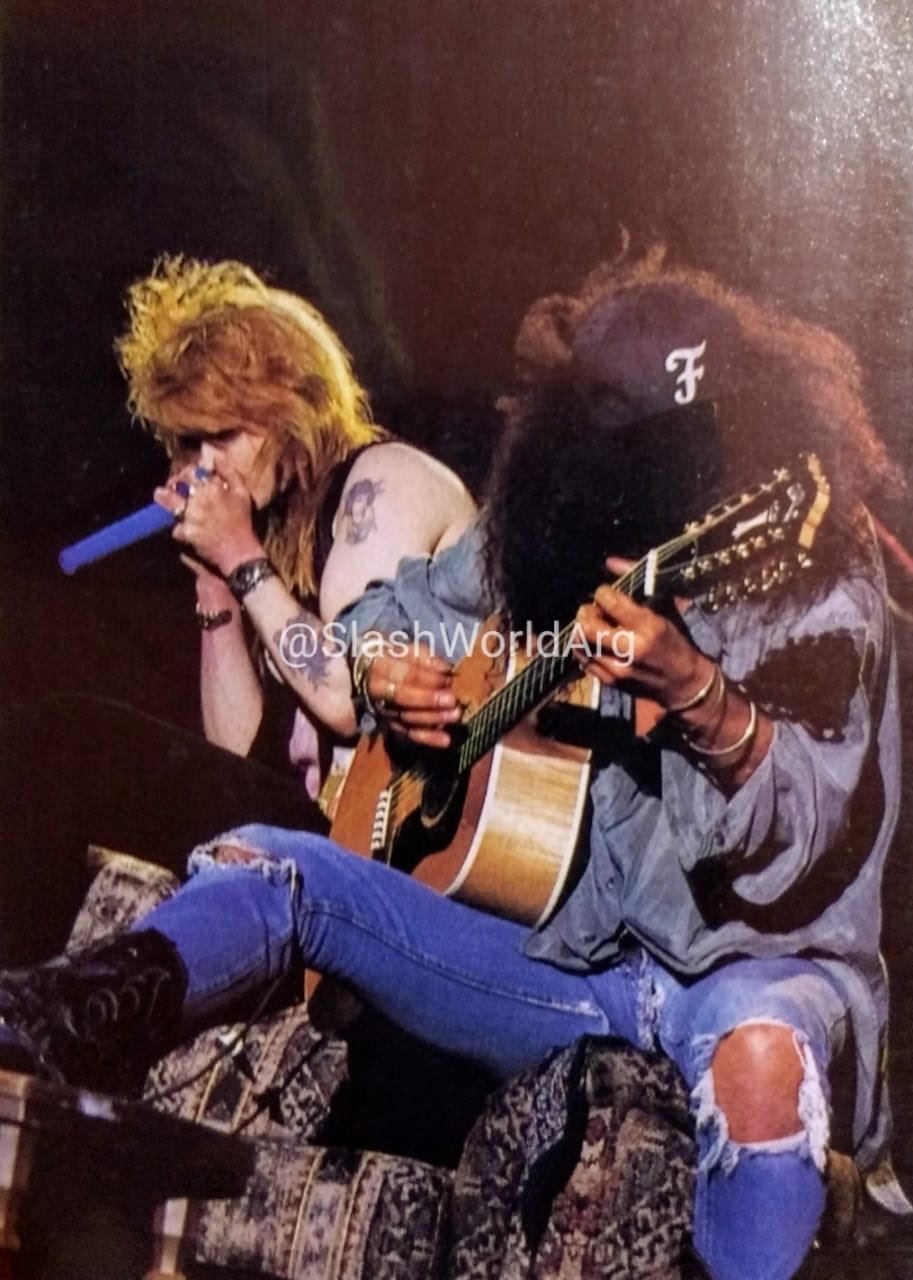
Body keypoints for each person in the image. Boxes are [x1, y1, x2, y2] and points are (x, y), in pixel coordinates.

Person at [0, 250, 905, 1280]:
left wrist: (697, 691)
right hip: (573, 964)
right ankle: (67, 1017)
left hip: (753, 968)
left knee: (760, 1060)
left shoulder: (813, 568)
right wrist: (384, 665)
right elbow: (390, 615)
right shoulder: (562, 518)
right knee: (269, 859)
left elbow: (799, 834)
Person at [0, 256, 476, 961]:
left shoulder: (383, 485)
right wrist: (214, 585)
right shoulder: (274, 536)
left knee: (69, 736)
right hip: (324, 835)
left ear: (290, 407)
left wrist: (242, 559)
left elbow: (345, 696)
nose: (202, 466)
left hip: (413, 853)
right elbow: (237, 757)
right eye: (186, 443)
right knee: (45, 738)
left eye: (220, 436)